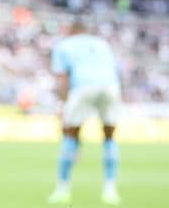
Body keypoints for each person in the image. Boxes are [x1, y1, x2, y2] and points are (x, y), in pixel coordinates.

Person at [47, 21, 122, 206]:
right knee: (110, 136)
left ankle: (62, 191)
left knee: (70, 135)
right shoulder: (102, 44)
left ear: (71, 30)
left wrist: (62, 105)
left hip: (83, 86)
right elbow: (114, 70)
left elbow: (63, 79)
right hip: (110, 87)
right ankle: (110, 191)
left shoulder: (64, 45)